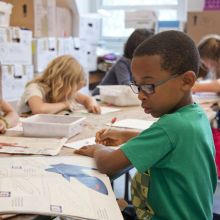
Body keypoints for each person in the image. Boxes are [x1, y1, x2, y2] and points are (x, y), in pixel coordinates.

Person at [75, 31, 217, 220]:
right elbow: (174, 144)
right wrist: (126, 134)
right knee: (119, 204)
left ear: (186, 81)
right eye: (138, 86)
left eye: (148, 86)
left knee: (91, 208)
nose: (141, 95)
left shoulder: (172, 126)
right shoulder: (195, 115)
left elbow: (107, 165)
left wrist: (97, 150)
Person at [18, 55, 101, 115]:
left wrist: (92, 104)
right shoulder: (35, 88)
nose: (74, 93)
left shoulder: (64, 91)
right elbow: (39, 109)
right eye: (74, 89)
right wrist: (65, 104)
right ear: (62, 83)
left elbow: (87, 99)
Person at [92, 29, 154, 96]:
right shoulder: (122, 62)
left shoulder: (142, 64)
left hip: (120, 98)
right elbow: (126, 85)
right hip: (100, 97)